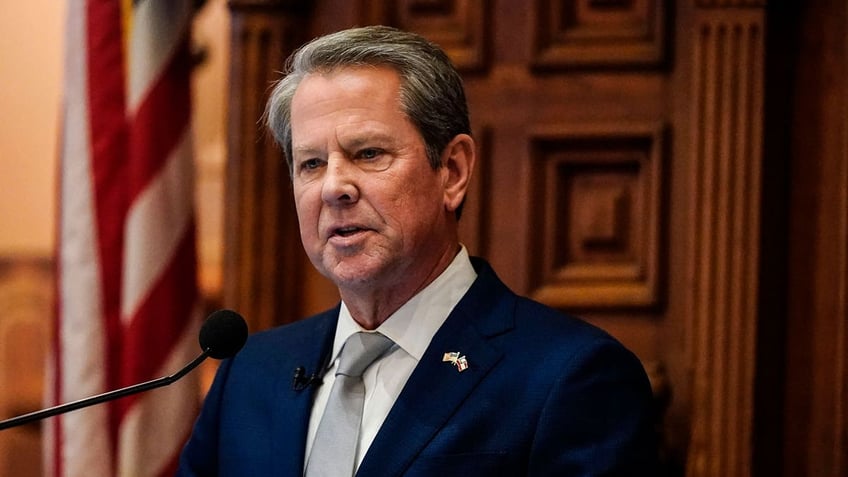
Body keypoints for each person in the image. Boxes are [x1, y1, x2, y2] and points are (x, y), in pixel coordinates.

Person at [178, 25, 657, 476]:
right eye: (311, 163)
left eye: (369, 154)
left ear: (452, 171)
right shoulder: (250, 374)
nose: (333, 187)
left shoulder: (570, 377)